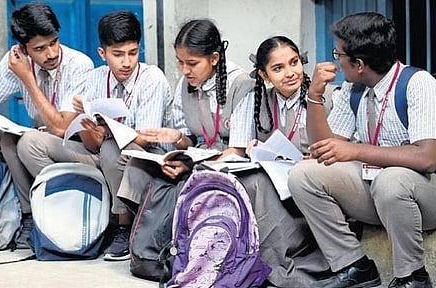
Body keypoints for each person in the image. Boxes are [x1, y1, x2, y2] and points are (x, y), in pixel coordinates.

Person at [288, 12, 436, 287]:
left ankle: (412, 277)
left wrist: (356, 151)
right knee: (303, 174)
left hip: (424, 197)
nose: (336, 60)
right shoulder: (353, 89)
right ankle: (355, 266)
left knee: (390, 179)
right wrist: (315, 96)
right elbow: (325, 149)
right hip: (377, 193)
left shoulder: (418, 84)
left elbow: (427, 157)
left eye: (339, 54)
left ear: (358, 64)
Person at [0, 3, 94, 249]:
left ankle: (32, 217)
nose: (51, 53)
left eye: (54, 42)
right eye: (40, 49)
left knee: (24, 142)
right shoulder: (17, 59)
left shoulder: (78, 64)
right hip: (38, 140)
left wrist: (27, 78)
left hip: (77, 149)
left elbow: (61, 127)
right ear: (23, 48)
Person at [61, 10, 172, 261]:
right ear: (103, 54)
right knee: (39, 145)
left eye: (133, 53)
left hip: (150, 155)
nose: (127, 62)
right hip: (107, 153)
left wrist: (108, 132)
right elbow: (93, 143)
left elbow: (146, 137)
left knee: (113, 150)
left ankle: (123, 226)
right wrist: (87, 123)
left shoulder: (151, 78)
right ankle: (89, 223)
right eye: (118, 54)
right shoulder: (96, 79)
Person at [115, 18, 255, 214]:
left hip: (229, 165)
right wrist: (178, 138)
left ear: (214, 58)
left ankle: (163, 236)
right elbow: (189, 140)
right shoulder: (186, 83)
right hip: (198, 158)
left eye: (192, 63)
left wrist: (192, 167)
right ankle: (128, 228)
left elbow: (238, 152)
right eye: (180, 62)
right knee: (138, 166)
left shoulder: (242, 84)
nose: (185, 70)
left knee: (176, 190)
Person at [235, 36, 333, 286]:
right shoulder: (255, 101)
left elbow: (344, 146)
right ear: (264, 75)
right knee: (248, 180)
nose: (290, 73)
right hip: (276, 184)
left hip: (312, 185)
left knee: (258, 184)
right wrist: (252, 149)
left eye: (294, 63)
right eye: (278, 68)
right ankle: (261, 262)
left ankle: (276, 265)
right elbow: (237, 151)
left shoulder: (328, 97)